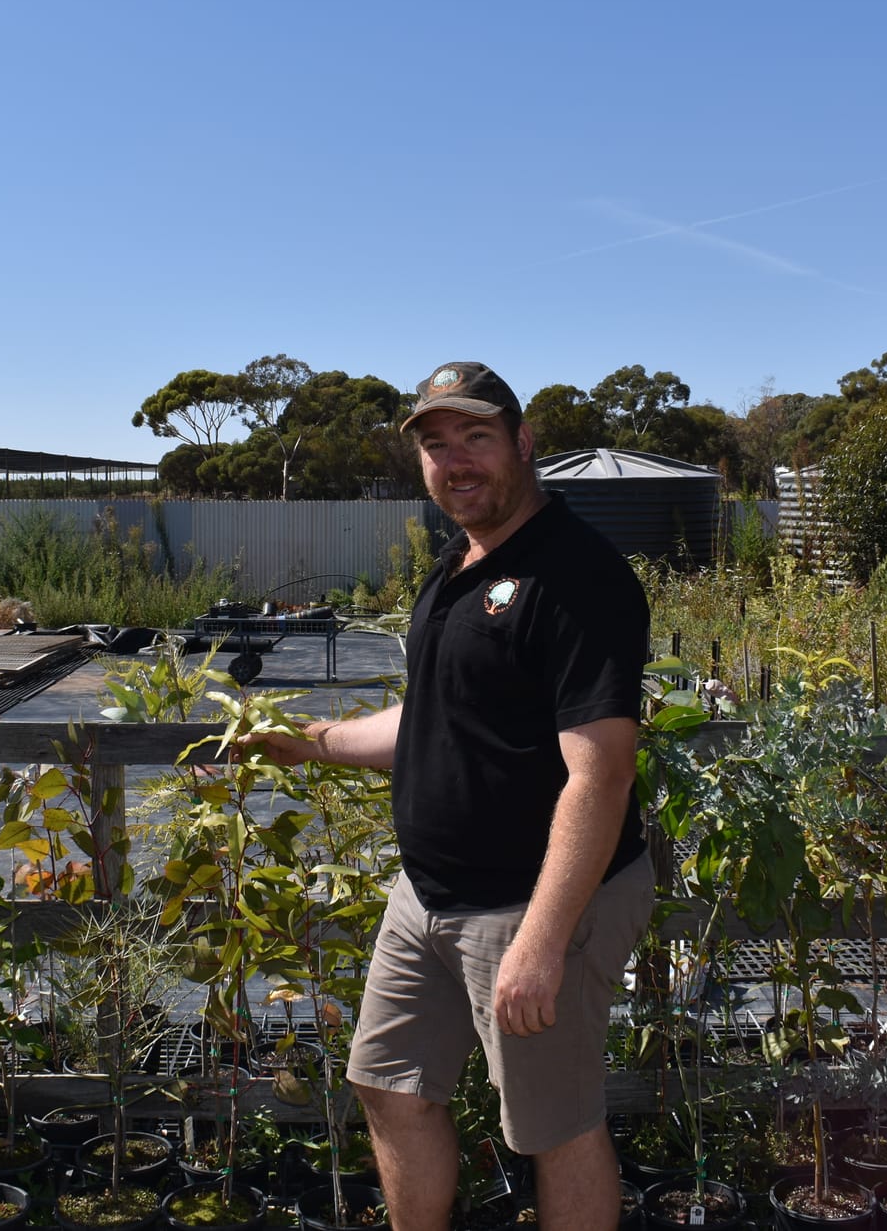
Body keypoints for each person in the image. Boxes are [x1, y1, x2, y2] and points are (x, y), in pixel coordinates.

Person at [244, 361, 655, 1231]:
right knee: (387, 1083)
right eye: (436, 445)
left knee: (554, 1127)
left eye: (475, 437)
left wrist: (542, 940)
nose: (454, 460)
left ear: (523, 442)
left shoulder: (577, 575)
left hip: (532, 902)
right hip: (428, 895)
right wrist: (309, 740)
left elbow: (602, 773)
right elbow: (432, 718)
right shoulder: (457, 568)